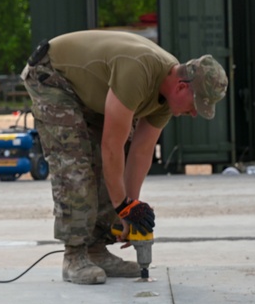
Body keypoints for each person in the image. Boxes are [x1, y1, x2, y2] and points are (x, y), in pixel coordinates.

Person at [21, 30, 228, 284]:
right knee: (75, 165)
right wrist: (123, 205)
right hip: (53, 76)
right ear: (182, 86)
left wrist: (131, 208)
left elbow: (140, 152)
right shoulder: (140, 71)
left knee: (118, 157)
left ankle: (96, 249)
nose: (194, 113)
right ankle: (74, 256)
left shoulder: (166, 96)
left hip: (89, 91)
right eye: (195, 104)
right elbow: (111, 146)